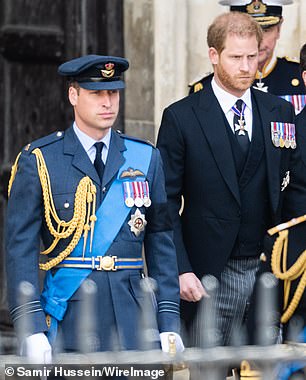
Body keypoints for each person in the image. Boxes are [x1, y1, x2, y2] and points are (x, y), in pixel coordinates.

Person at [5, 54, 183, 363]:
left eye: (113, 92)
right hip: (70, 315)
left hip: (133, 318)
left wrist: (168, 319)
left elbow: (161, 242)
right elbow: (19, 250)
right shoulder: (41, 161)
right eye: (96, 93)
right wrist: (30, 326)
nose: (108, 102)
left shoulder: (145, 159)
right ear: (73, 95)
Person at [157, 11, 306, 346]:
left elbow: (295, 189)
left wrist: (294, 262)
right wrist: (180, 269)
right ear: (214, 55)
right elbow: (164, 201)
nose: (246, 67)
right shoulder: (182, 118)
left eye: (252, 57)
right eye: (236, 57)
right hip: (207, 275)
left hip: (268, 271)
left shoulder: (279, 112)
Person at [189, 0, 306, 115]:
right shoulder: (205, 86)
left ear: (279, 29)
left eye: (266, 30)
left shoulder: (299, 77)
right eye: (247, 33)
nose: (259, 41)